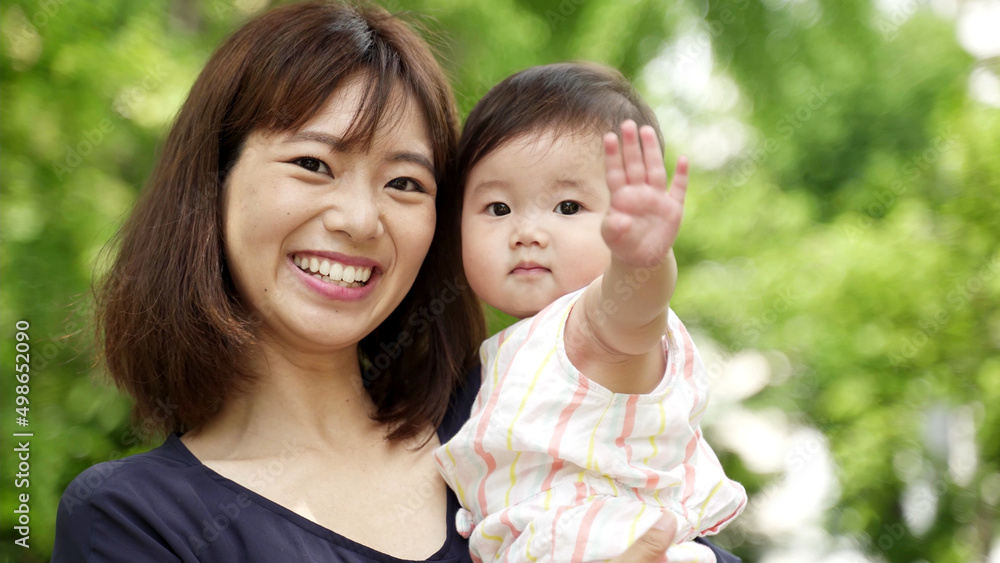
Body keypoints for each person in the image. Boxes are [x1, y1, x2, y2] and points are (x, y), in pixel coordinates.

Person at [51, 2, 741, 562]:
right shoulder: (137, 521)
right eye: (314, 164)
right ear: (214, 181)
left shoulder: (514, 412)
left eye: (406, 182)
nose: (359, 219)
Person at [433, 62, 747, 562]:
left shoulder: (584, 332)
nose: (527, 232)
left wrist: (640, 261)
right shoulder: (497, 360)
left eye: (568, 207)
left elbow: (631, 315)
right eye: (498, 208)